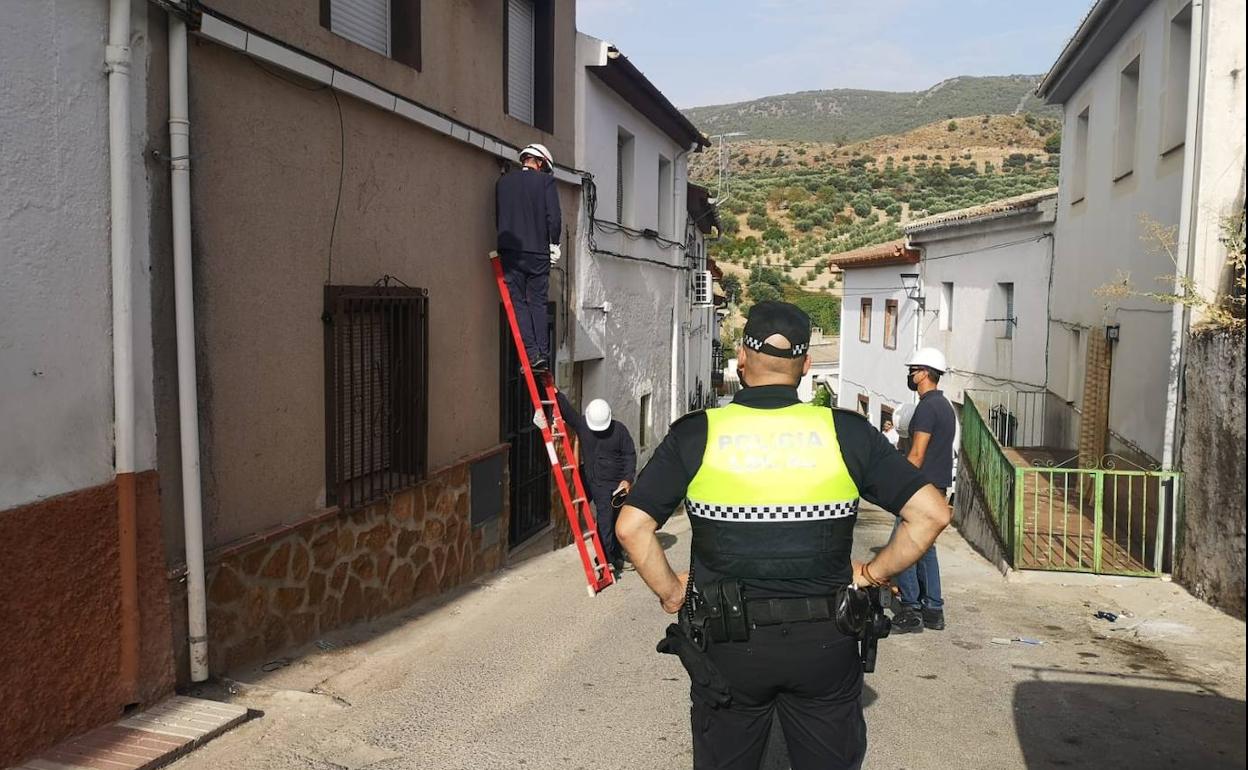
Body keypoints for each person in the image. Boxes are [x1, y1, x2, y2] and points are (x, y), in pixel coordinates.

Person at [616, 301, 952, 770]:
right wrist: (872, 574)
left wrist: (673, 592)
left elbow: (631, 527)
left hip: (728, 646)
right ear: (806, 366)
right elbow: (932, 514)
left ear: (740, 358)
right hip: (826, 643)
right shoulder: (844, 433)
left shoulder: (698, 434)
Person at [890, 347, 957, 634]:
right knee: (925, 548)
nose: (910, 374)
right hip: (937, 487)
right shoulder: (946, 407)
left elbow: (917, 454)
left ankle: (910, 609)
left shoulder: (927, 408)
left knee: (903, 545)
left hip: (919, 489)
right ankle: (933, 609)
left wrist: (894, 483)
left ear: (925, 374)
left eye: (913, 370)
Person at [555, 388, 636, 575]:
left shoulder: (620, 431)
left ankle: (613, 557)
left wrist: (627, 480)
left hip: (617, 485)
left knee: (614, 522)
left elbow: (629, 456)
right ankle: (604, 559)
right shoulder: (584, 425)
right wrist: (557, 394)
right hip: (596, 481)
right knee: (606, 522)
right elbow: (567, 412)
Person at [495, 143, 561, 373]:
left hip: (510, 253)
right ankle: (541, 355)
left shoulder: (502, 183)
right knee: (537, 303)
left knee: (519, 303)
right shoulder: (546, 182)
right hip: (537, 253)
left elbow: (499, 218)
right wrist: (554, 244)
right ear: (541, 163)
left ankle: (531, 353)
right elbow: (553, 217)